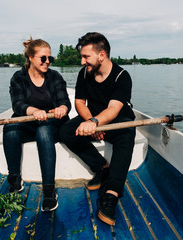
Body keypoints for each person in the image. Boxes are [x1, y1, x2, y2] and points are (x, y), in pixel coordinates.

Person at [59, 32, 136, 225]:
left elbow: (113, 108)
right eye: (82, 57)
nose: (83, 61)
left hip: (118, 120)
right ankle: (102, 167)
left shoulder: (122, 76)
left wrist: (95, 123)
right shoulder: (84, 73)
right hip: (92, 119)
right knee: (66, 131)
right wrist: (90, 121)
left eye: (86, 57)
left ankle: (111, 195)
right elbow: (79, 102)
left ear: (102, 55)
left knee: (127, 134)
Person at [3, 37, 71, 212]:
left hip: (52, 123)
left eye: (50, 58)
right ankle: (14, 180)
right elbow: (18, 105)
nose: (47, 62)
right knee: (10, 128)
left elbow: (64, 101)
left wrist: (62, 107)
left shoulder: (55, 76)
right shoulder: (18, 77)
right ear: (31, 58)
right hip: (29, 121)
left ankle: (49, 191)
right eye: (43, 58)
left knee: (43, 132)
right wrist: (33, 111)